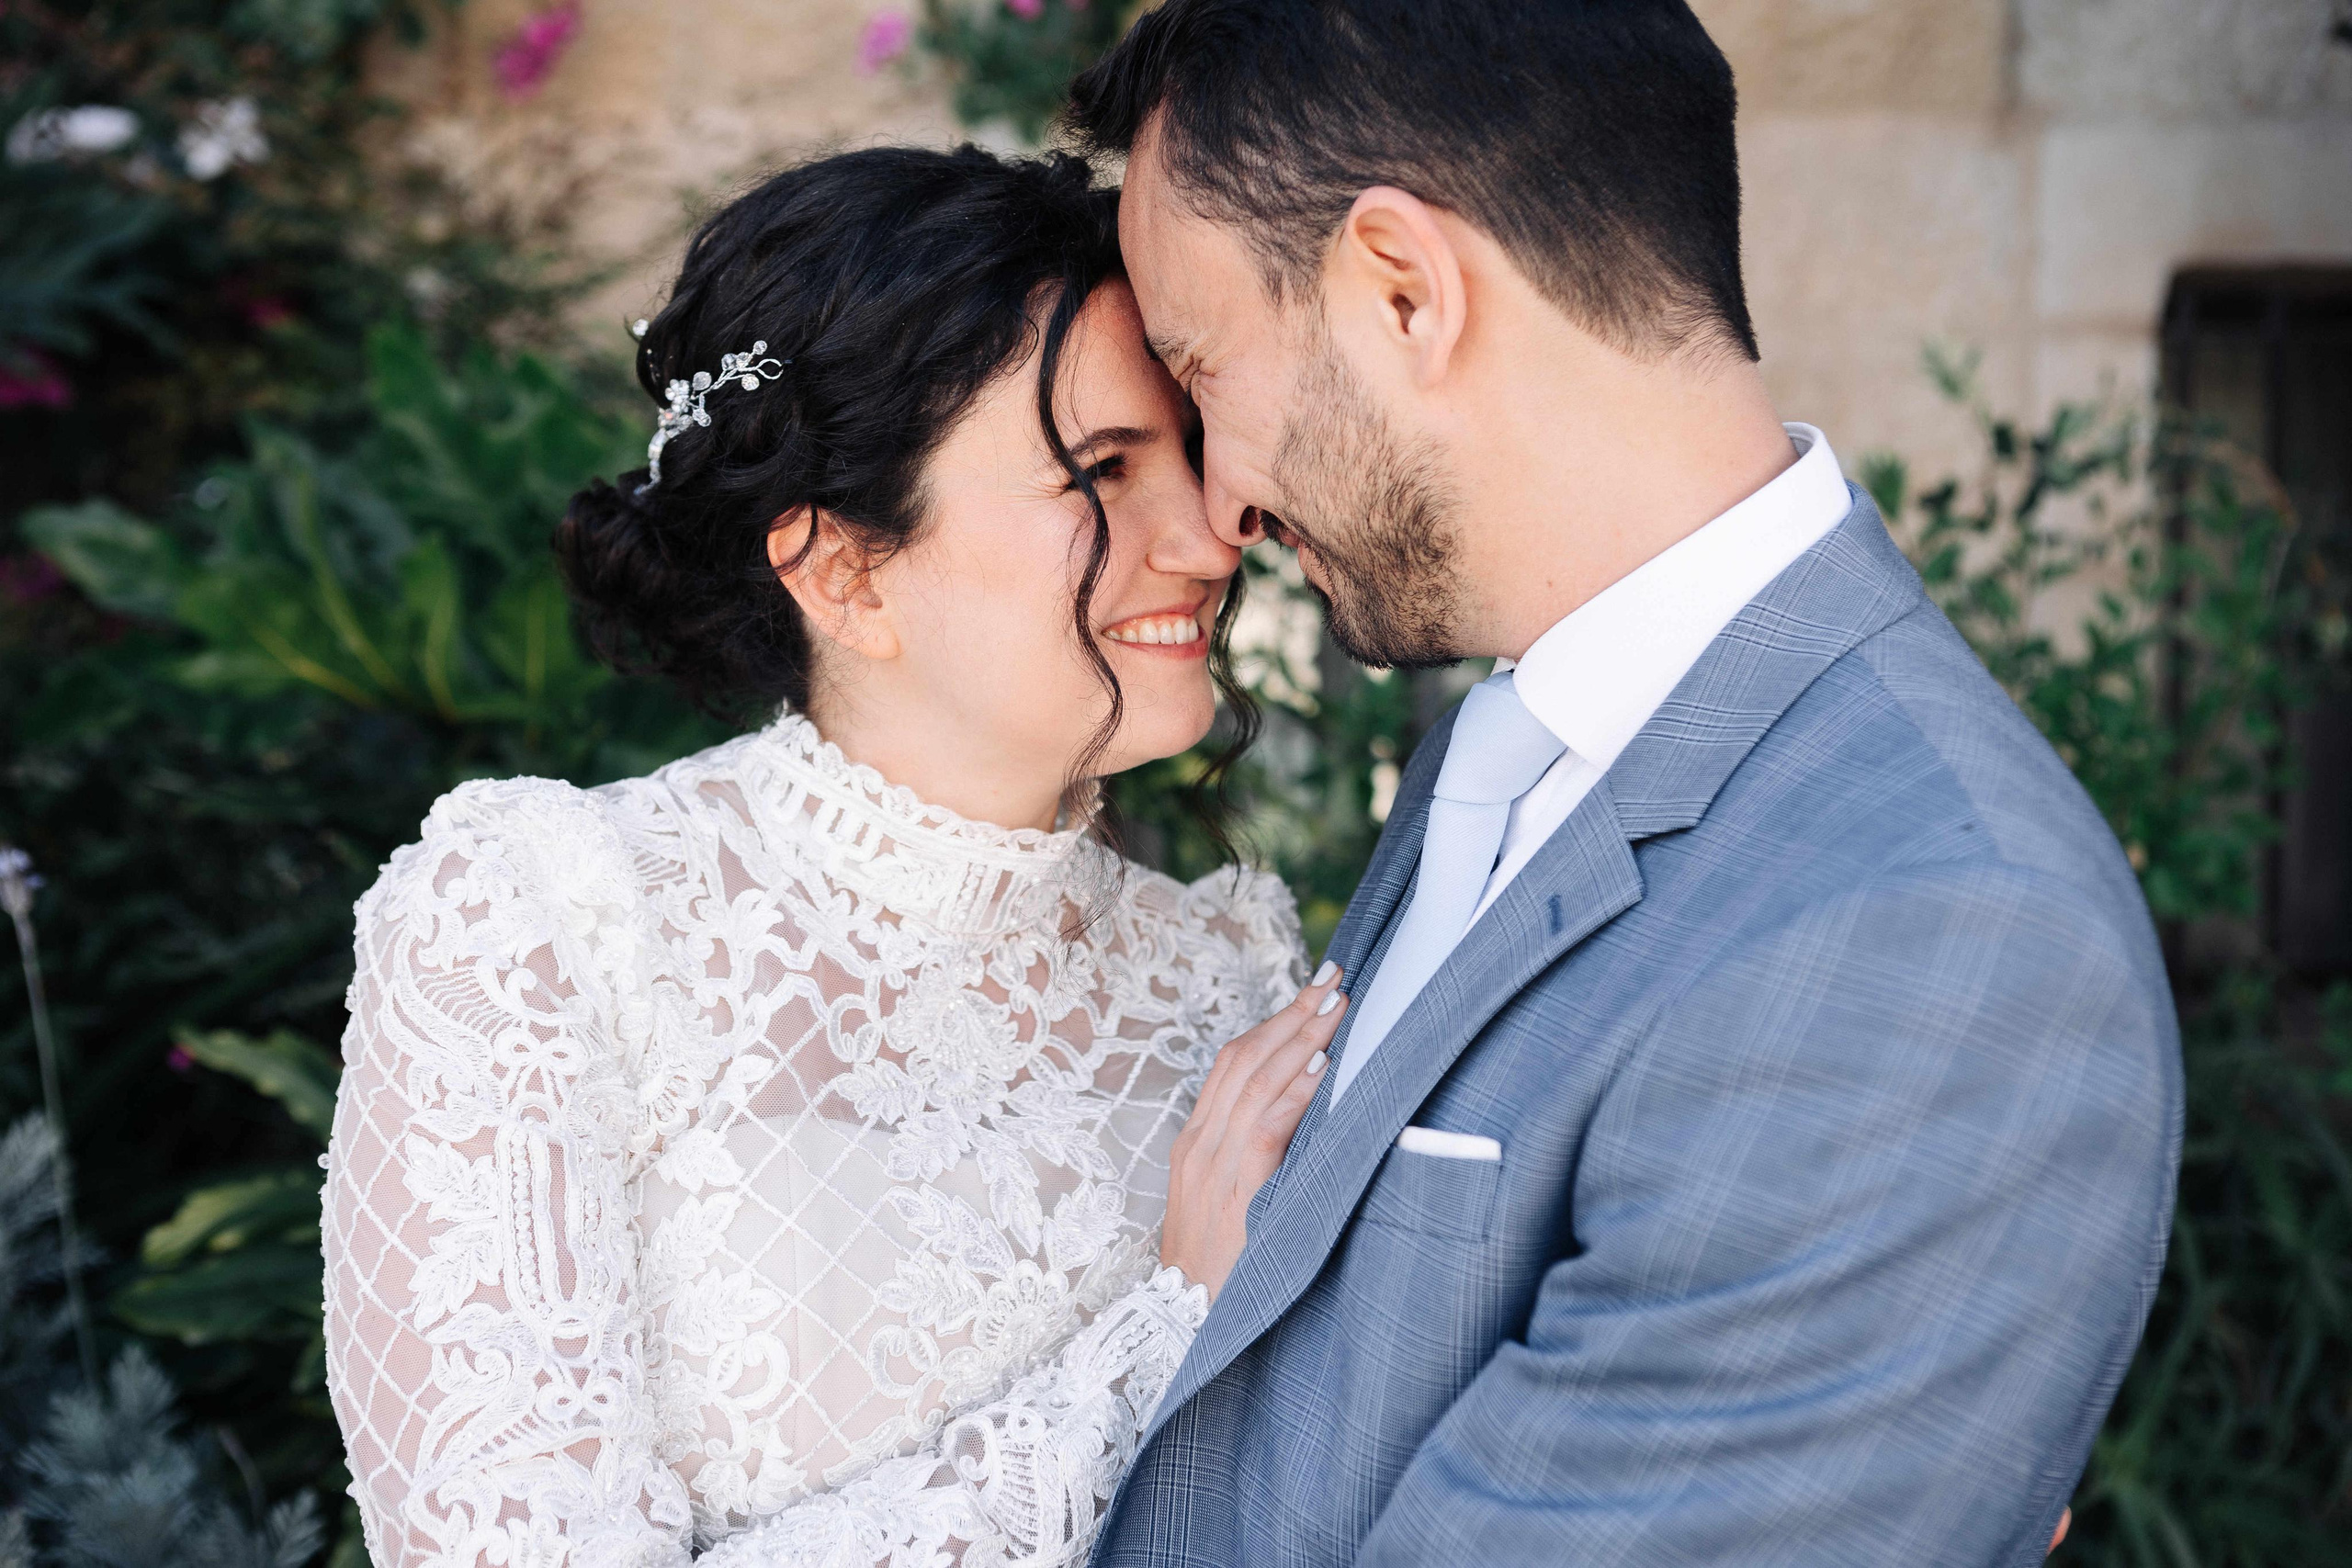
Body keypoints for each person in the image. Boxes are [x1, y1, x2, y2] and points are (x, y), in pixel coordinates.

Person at [1065, 2, 2183, 1563]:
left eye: (1202, 370)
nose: (1222, 500)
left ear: (1403, 291)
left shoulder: (1935, 933)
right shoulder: (1509, 741)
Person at [319, 146, 1350, 1568]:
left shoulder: (1228, 975)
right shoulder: (545, 921)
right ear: (843, 572)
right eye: (1105, 469)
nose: (1208, 535)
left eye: (1189, 449)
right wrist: (1165, 1336)